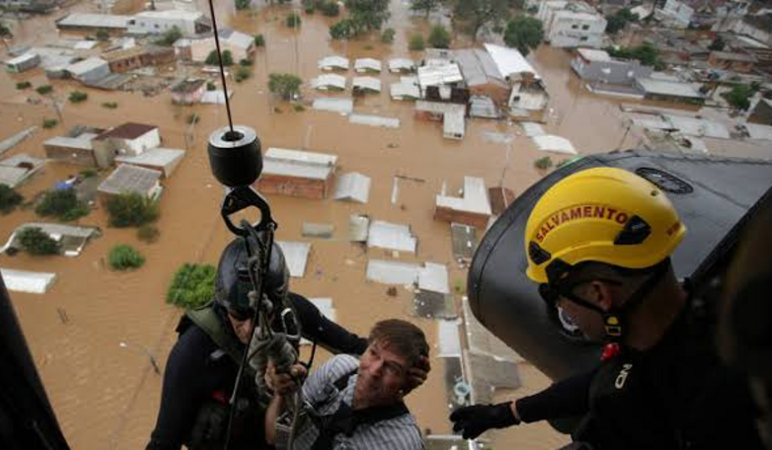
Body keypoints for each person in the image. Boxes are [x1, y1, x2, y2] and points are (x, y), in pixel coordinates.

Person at [450, 167, 763, 449]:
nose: (561, 308)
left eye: (554, 294)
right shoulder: (695, 319)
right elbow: (606, 378)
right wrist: (507, 412)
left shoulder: (708, 410)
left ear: (599, 294)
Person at [146, 237, 427, 450]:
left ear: (277, 302)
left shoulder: (292, 314)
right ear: (223, 305)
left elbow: (358, 348)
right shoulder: (194, 351)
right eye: (239, 315)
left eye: (261, 314)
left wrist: (403, 370)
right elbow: (164, 441)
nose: (251, 327)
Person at [265, 319, 429, 450]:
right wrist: (282, 393)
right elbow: (274, 436)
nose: (373, 371)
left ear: (407, 383)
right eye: (373, 353)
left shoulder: (402, 444)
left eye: (392, 368)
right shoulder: (338, 371)